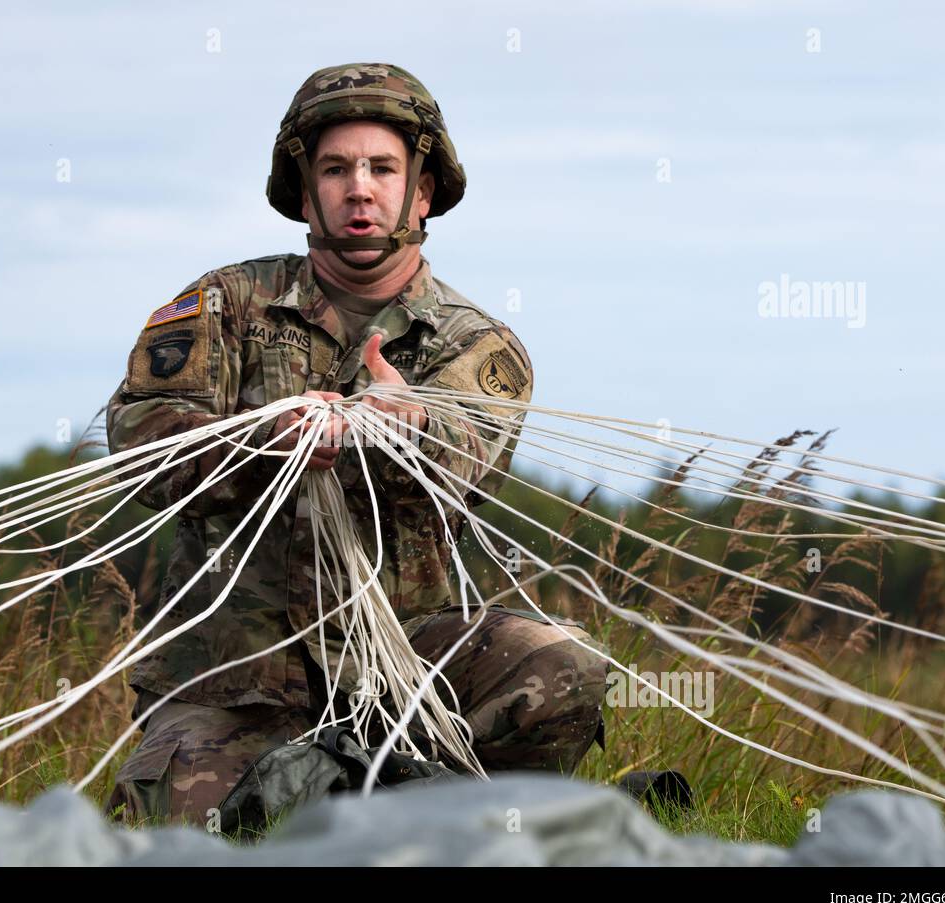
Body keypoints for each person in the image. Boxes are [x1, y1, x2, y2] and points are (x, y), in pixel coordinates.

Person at [103, 63, 607, 828]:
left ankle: (464, 817)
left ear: (423, 192)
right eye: (336, 169)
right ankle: (368, 799)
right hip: (236, 678)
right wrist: (265, 443)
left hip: (405, 665)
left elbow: (471, 454)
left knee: (560, 665)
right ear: (305, 194)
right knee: (197, 832)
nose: (359, 189)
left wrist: (414, 426)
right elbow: (141, 443)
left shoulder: (475, 343)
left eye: (383, 169)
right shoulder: (223, 307)